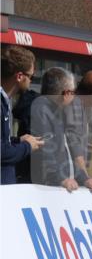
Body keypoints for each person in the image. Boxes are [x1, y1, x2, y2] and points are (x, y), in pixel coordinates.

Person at [31, 68, 92, 192]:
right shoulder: (41, 108)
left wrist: (84, 179)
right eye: (73, 92)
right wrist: (60, 179)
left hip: (62, 185)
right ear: (66, 93)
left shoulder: (58, 111)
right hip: (47, 189)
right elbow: (44, 151)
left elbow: (68, 151)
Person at [1, 45, 44, 184]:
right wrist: (27, 147)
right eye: (31, 76)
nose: (31, 81)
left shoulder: (5, 100)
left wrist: (17, 141)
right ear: (19, 76)